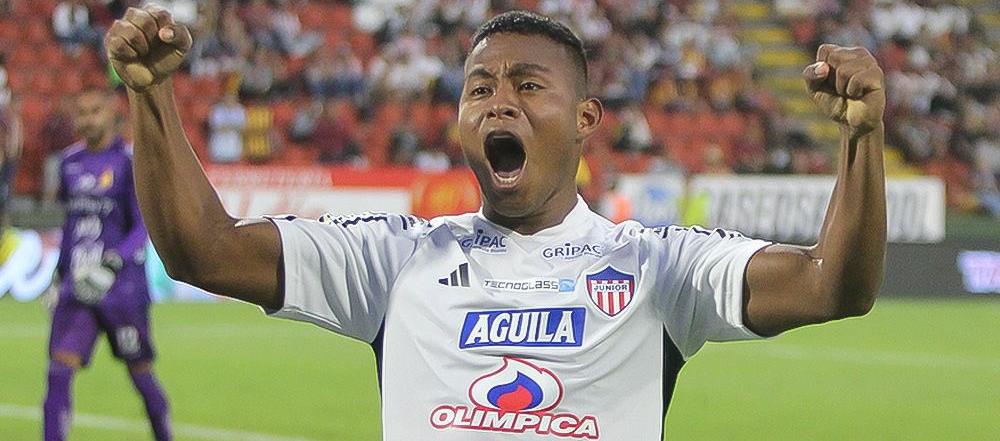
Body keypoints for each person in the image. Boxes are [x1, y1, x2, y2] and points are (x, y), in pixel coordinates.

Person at [107, 6, 886, 439]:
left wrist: (861, 138)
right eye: (479, 88)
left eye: (526, 84)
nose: (498, 100)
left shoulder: (657, 265)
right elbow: (201, 248)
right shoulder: (394, 259)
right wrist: (149, 95)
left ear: (586, 117)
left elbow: (831, 285)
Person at [44, 88, 171, 441]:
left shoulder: (130, 163)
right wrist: (58, 275)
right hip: (78, 287)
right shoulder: (68, 163)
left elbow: (143, 224)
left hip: (122, 290)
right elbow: (72, 225)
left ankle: (164, 435)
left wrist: (113, 263)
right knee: (58, 370)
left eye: (95, 111)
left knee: (140, 373)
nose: (87, 119)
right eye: (81, 112)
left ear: (113, 113)